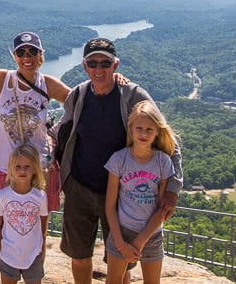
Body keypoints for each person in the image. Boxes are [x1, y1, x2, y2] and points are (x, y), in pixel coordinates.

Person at [0, 31, 128, 284]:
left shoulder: (47, 83)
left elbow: (85, 99)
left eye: (33, 52)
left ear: (42, 55)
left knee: (36, 242)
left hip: (40, 173)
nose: (27, 57)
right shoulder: (0, 79)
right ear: (13, 55)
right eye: (21, 52)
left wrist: (114, 80)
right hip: (4, 172)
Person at [54, 37, 183, 284]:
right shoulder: (78, 95)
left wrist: (174, 188)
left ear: (116, 65)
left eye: (105, 62)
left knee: (121, 260)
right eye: (93, 63)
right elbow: (61, 128)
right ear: (84, 65)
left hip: (124, 194)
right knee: (79, 256)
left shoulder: (133, 96)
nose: (99, 69)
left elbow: (166, 139)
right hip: (80, 187)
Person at [104, 100, 177, 284]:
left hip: (151, 235)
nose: (143, 134)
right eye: (139, 128)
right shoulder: (119, 160)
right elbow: (110, 207)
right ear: (131, 129)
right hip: (121, 231)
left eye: (149, 130)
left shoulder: (163, 162)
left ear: (157, 132)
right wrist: (121, 244)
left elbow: (161, 209)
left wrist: (139, 242)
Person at [0, 144, 49, 284]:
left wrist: (40, 249)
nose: (22, 170)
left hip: (33, 255)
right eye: (17, 167)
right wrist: (2, 247)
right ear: (11, 169)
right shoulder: (3, 195)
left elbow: (43, 226)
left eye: (27, 167)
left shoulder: (40, 197)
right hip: (8, 255)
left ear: (35, 169)